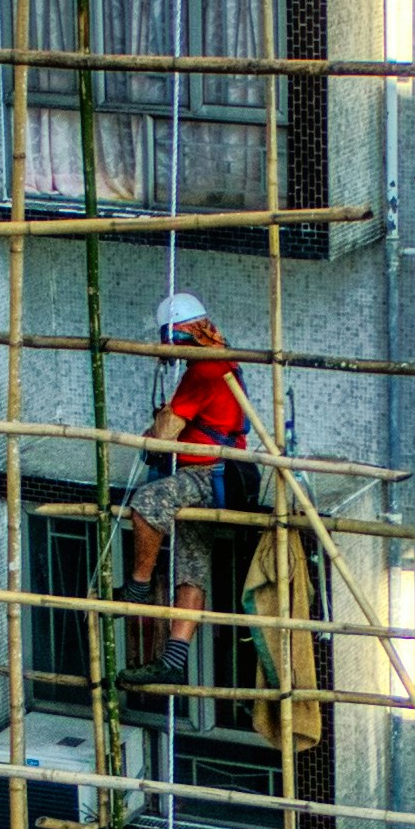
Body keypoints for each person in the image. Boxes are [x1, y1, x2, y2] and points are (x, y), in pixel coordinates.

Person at [121, 294, 255, 689]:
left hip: (207, 472)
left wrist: (157, 428)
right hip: (225, 474)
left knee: (148, 502)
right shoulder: (223, 360)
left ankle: (138, 588)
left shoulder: (205, 372)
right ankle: (175, 658)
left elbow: (165, 435)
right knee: (192, 566)